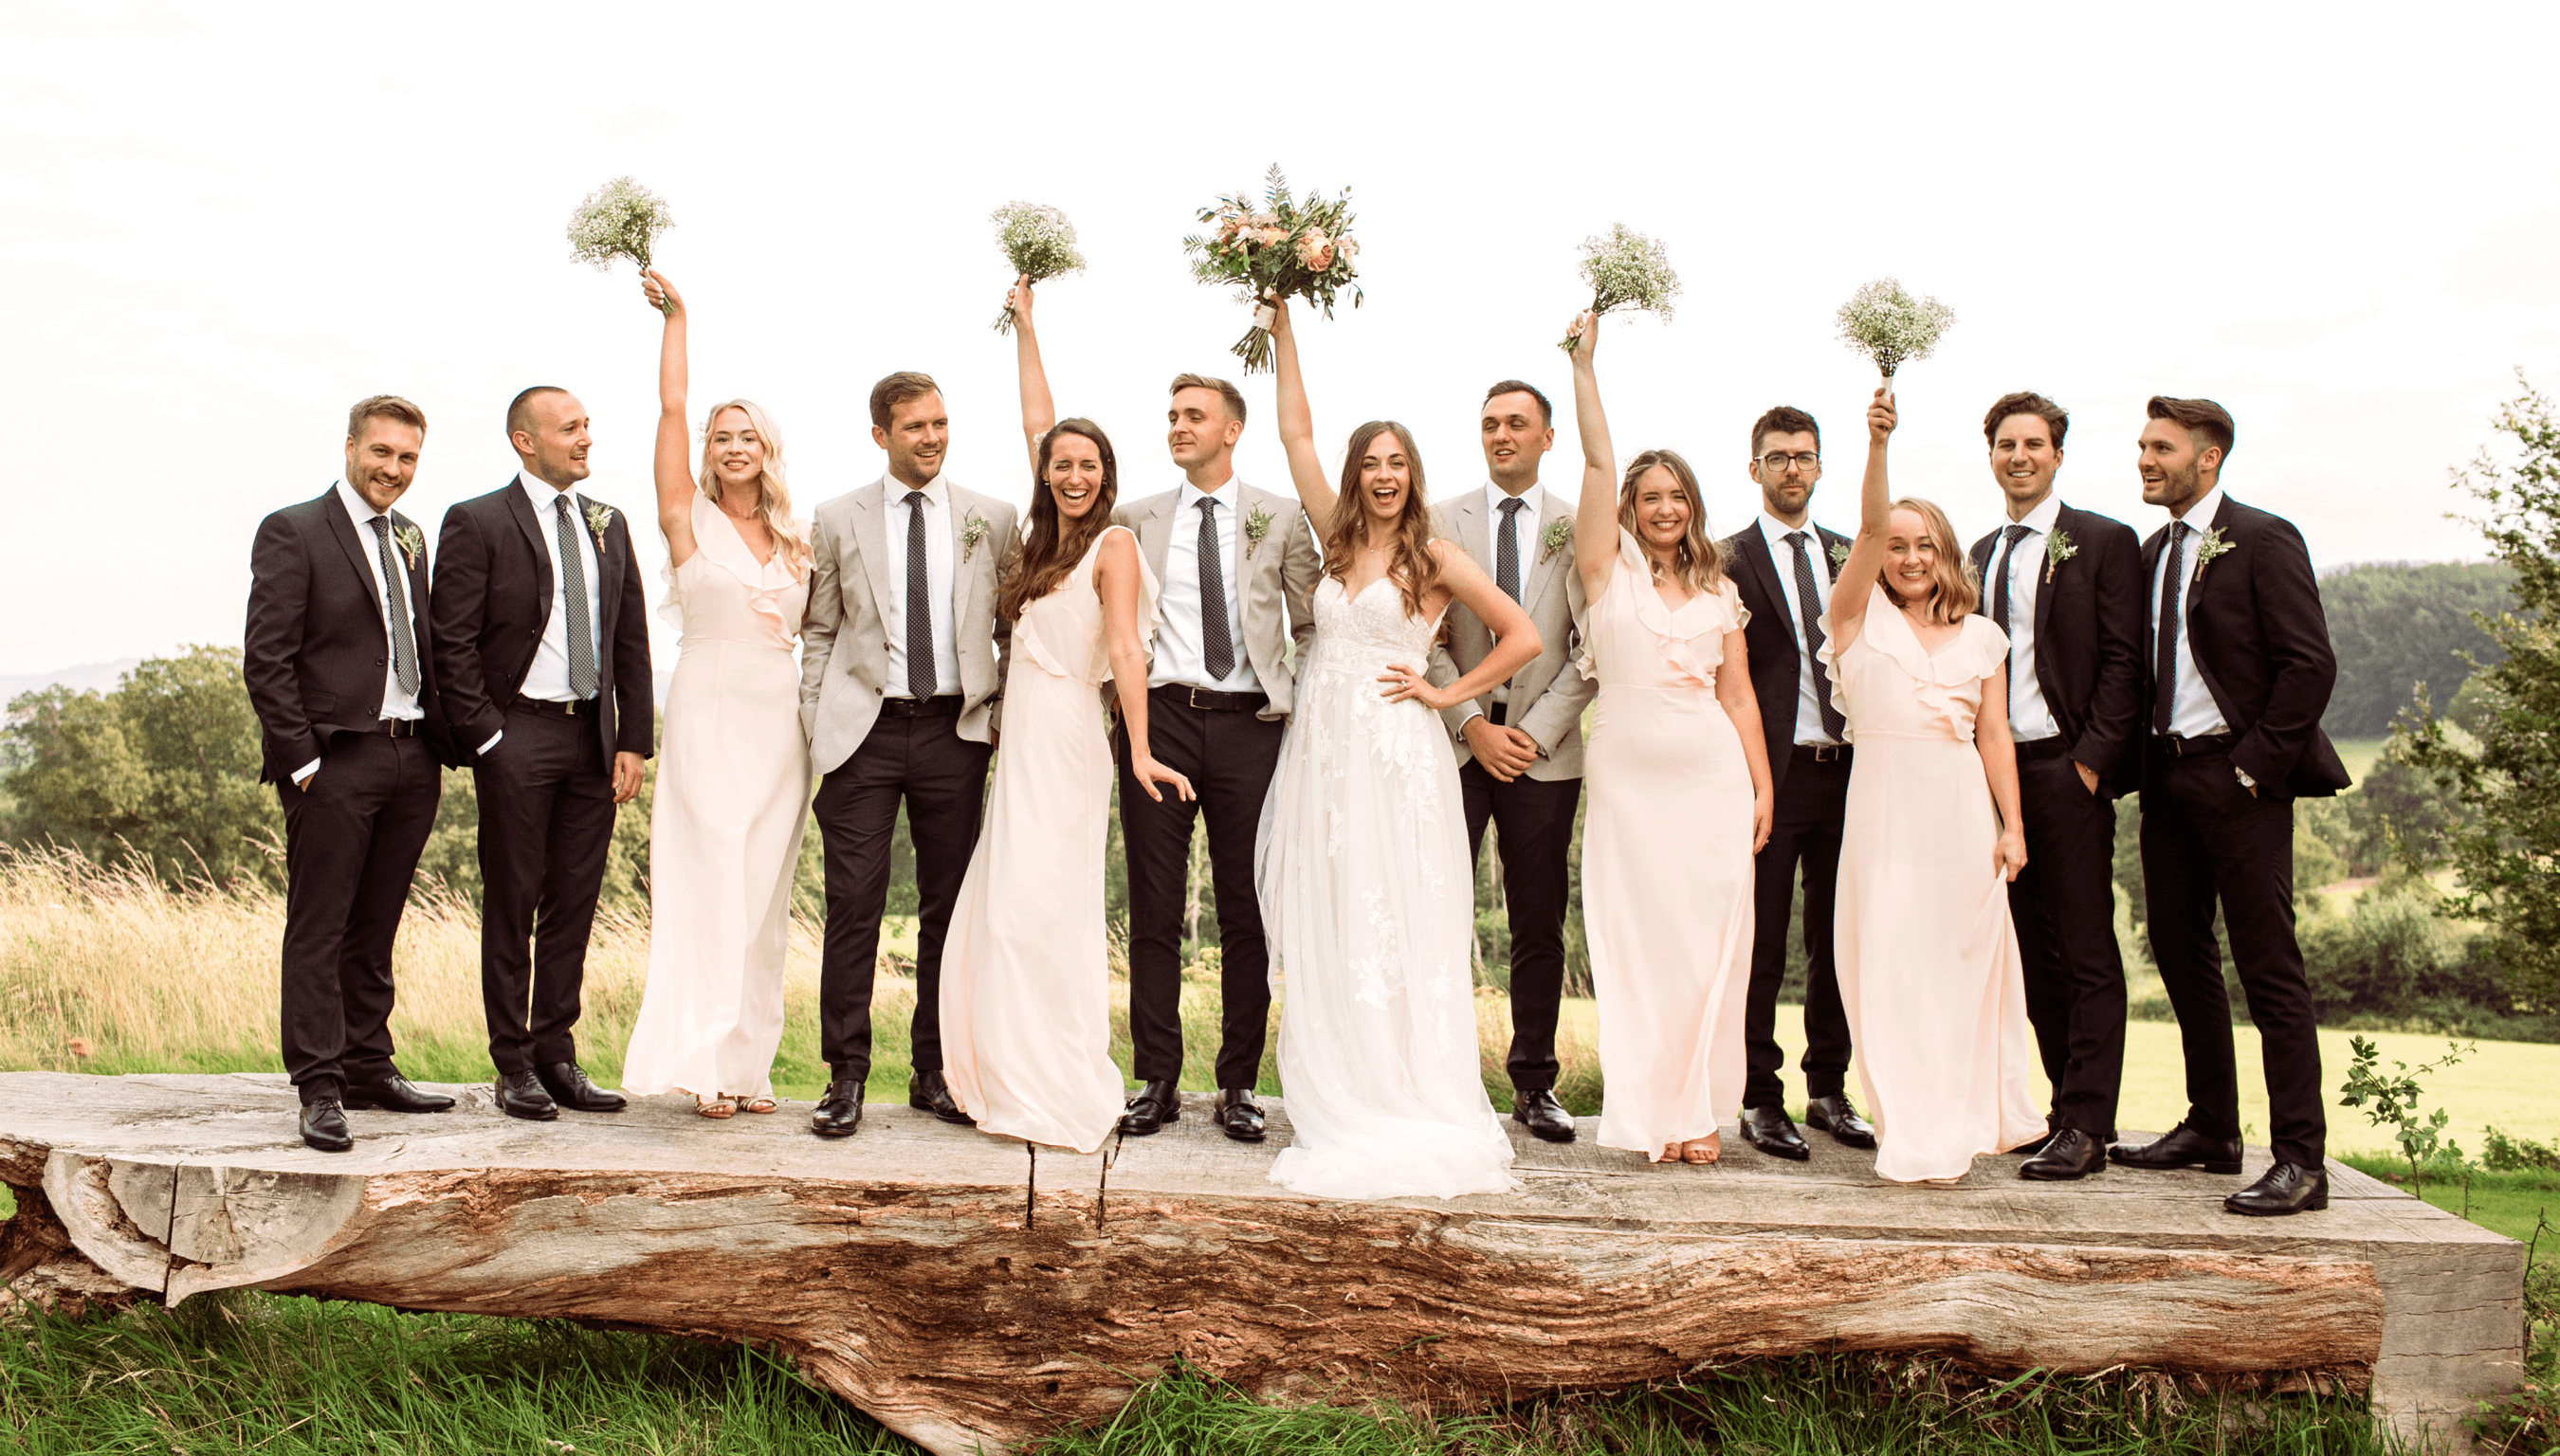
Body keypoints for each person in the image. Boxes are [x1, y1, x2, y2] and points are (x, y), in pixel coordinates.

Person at [1255, 298, 1539, 1200]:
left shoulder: (1435, 557)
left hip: (1395, 749)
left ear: (1415, 475)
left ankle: (1406, 1085)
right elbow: (1294, 435)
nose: (1384, 477)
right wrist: (1284, 331)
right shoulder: (1336, 541)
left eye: (1397, 464)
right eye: (1371, 464)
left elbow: (1522, 636)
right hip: (1325, 755)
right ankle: (1344, 1075)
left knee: (1395, 906)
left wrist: (1446, 691)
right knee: (1335, 905)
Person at [936, 279, 1190, 1154]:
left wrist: (1145, 753)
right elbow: (1034, 418)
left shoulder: (1115, 545)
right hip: (1024, 742)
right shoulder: (1041, 546)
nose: (1073, 474)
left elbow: (1125, 652)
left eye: (1089, 465)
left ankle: (1057, 1076)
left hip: (1075, 743)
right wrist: (1027, 327)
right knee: (1005, 905)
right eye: (1061, 464)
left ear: (1107, 478)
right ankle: (1003, 1071)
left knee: (1043, 911)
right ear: (1047, 474)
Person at [2111, 396, 2350, 1217]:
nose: (2145, 459)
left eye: (2161, 447)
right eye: (2142, 445)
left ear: (2207, 458)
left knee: (2268, 967)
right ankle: (2213, 1128)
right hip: (2168, 780)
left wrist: (2254, 766)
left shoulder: (2262, 538)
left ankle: (2301, 1160)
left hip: (2241, 780)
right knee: (2180, 951)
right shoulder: (2149, 553)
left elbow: (2308, 666)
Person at [1563, 315, 1770, 1164]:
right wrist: (1583, 369)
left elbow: (1743, 698)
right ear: (1630, 511)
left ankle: (1697, 1109)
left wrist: (1761, 789)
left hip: (1711, 779)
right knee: (1636, 940)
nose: (1663, 508)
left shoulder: (1722, 594)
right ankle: (1650, 1106)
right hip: (1627, 777)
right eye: (1649, 497)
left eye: (1676, 496)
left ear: (1692, 509)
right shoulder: (1603, 571)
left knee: (1708, 940)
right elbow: (1598, 461)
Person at [1824, 388, 2045, 1184]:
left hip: (1959, 815)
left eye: (1926, 546)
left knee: (1958, 966)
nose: (1910, 557)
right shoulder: (1853, 621)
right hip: (1884, 811)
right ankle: (1908, 1123)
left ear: (1947, 555)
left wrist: (2011, 827)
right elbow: (1871, 525)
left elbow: (1995, 736)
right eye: (1898, 545)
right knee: (1888, 961)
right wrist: (1878, 443)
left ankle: (1961, 1114)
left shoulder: (1984, 638)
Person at [801, 372, 1019, 1138]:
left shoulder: (991, 517)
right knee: (853, 905)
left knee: (949, 910)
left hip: (953, 735)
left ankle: (936, 1071)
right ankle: (846, 1075)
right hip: (860, 735)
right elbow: (820, 631)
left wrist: (995, 713)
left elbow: (1010, 627)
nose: (932, 438)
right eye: (915, 427)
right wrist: (815, 724)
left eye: (940, 423)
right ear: (880, 436)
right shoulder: (835, 518)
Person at [617, 272, 814, 1118]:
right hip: (708, 706)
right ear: (709, 450)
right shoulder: (683, 516)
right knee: (707, 882)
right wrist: (679, 321)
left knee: (764, 893)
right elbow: (669, 409)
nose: (736, 447)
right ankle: (697, 1066)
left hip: (781, 722)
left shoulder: (797, 539)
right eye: (723, 437)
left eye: (749, 437)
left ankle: (745, 1066)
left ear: (768, 449)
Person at [1109, 362, 1321, 1143]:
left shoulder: (1280, 517)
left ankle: (1238, 1083)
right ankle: (1156, 1079)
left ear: (1232, 430)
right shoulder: (1133, 518)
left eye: (1194, 415)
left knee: (1247, 911)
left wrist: (1308, 714)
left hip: (1251, 725)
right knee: (1155, 907)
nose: (1178, 426)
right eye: (1171, 415)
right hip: (1160, 719)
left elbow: (1312, 624)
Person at [244, 396, 461, 1152]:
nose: (393, 470)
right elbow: (266, 660)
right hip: (333, 760)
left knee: (376, 925)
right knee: (320, 926)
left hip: (410, 755)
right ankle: (320, 1084)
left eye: (407, 459)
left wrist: (436, 745)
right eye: (382, 453)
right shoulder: (294, 530)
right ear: (349, 448)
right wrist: (304, 763)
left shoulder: (410, 538)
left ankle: (369, 1065)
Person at [430, 387, 652, 1121]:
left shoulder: (608, 523)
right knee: (514, 899)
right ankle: (513, 1064)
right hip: (516, 735)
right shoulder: (478, 521)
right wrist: (488, 736)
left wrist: (633, 740)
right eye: (569, 429)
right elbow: (451, 641)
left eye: (587, 425)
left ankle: (557, 1055)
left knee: (573, 905)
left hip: (593, 740)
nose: (586, 439)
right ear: (525, 441)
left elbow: (630, 640)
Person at [1965, 392, 2145, 1181]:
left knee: (2086, 950)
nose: (2019, 457)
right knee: (2031, 952)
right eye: (2006, 444)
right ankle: (2058, 1112)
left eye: (2033, 444)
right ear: (1991, 453)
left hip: (2067, 771)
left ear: (2058, 455)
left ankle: (2088, 1122)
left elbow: (2124, 662)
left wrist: (2090, 765)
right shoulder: (1976, 553)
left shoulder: (2103, 542)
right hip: (1993, 781)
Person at [1420, 369, 1599, 1146]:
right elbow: (1414, 641)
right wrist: (1468, 724)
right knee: (1435, 914)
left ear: (1547, 437)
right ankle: (1434, 1076)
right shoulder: (1438, 519)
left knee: (1537, 921)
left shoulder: (1577, 526)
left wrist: (1536, 731)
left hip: (1543, 756)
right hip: (1452, 753)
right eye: (1491, 422)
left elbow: (1592, 645)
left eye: (1517, 423)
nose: (1502, 434)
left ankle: (1534, 1084)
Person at [1717, 409, 1871, 1159]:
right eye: (1777, 458)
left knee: (1838, 940)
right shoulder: (1726, 560)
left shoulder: (1850, 553)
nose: (1791, 470)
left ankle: (1829, 1090)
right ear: (1755, 469)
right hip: (1770, 776)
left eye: (1803, 457)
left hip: (1850, 772)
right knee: (1765, 941)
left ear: (1818, 466)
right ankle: (1758, 1094)